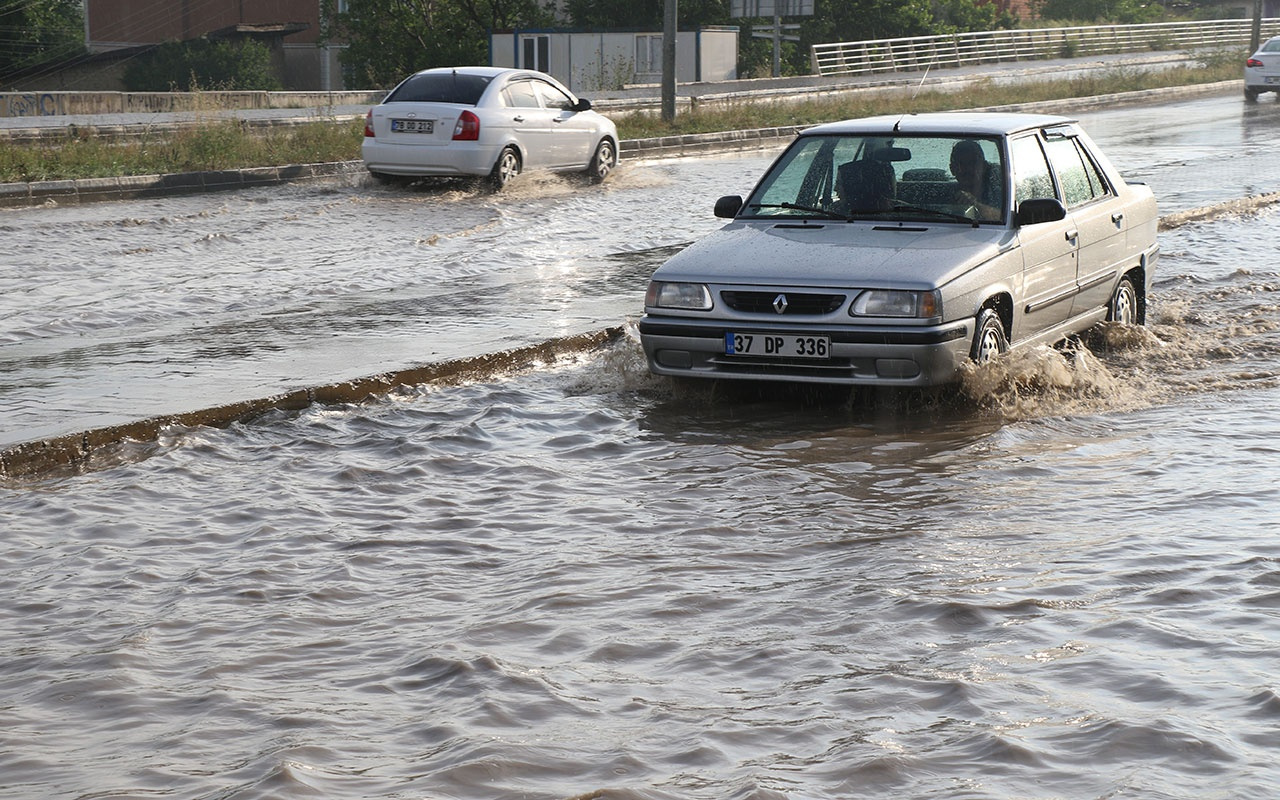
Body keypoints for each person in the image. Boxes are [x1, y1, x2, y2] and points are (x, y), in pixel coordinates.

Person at [948, 139, 1003, 220]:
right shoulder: (940, 195)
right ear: (952, 169)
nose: (967, 169)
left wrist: (975, 204)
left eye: (973, 163)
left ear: (984, 167)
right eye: (960, 164)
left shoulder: (999, 194)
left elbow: (1003, 218)